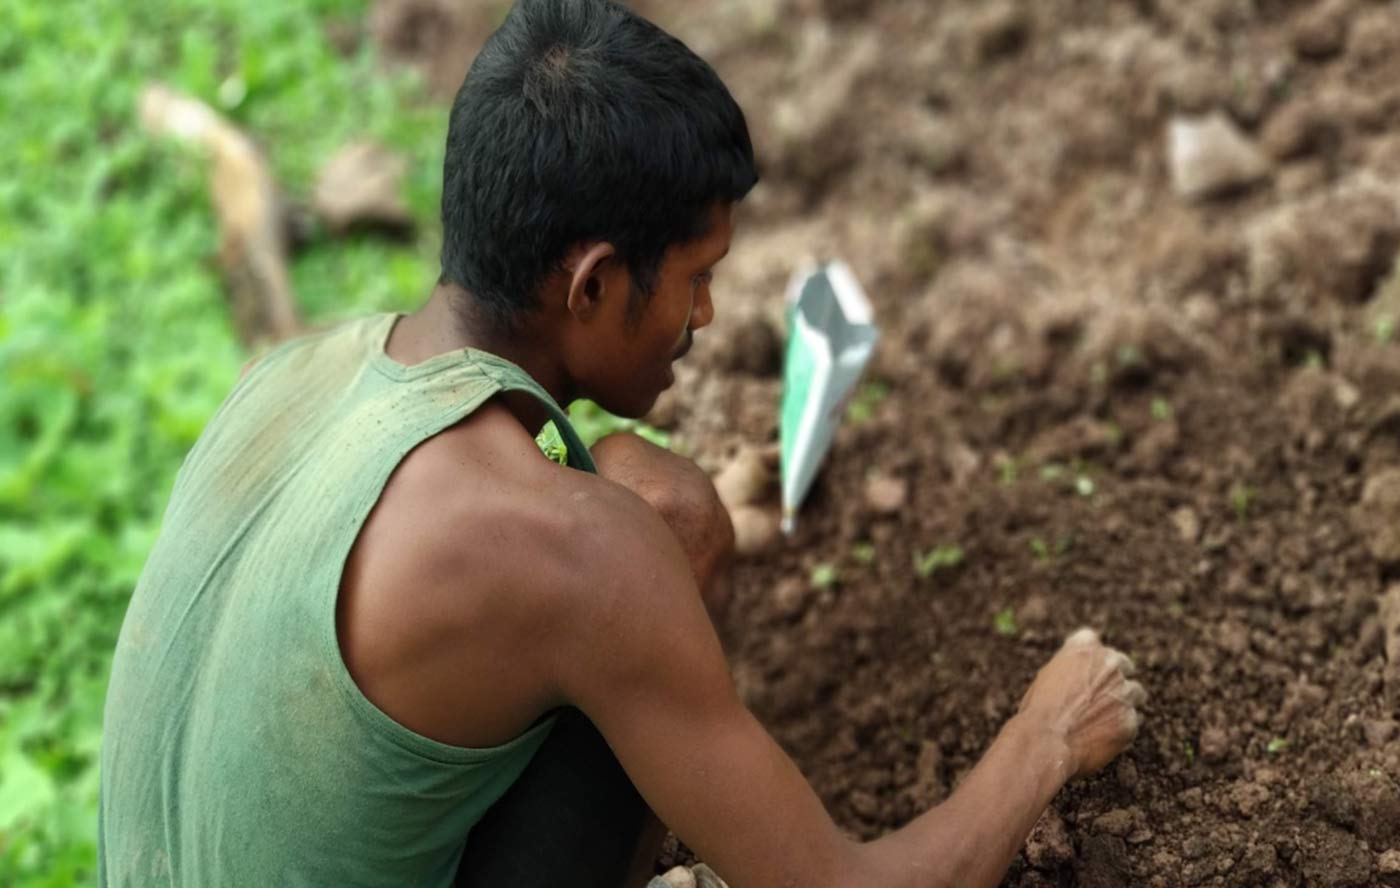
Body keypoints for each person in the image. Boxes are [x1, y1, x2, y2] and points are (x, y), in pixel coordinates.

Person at [98, 0, 1147, 886]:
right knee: (638, 544)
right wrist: (1044, 737)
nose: (704, 316)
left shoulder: (290, 374)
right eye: (694, 278)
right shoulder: (573, 557)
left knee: (671, 512)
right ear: (593, 283)